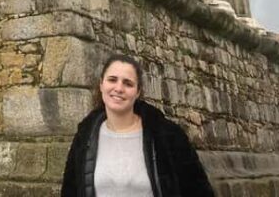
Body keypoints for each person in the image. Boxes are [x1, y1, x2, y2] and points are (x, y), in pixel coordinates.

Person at [61, 54, 215, 197]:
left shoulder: (167, 135)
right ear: (101, 84)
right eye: (112, 80)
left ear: (138, 92)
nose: (119, 88)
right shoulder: (85, 136)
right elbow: (71, 191)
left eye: (128, 83)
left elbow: (198, 190)